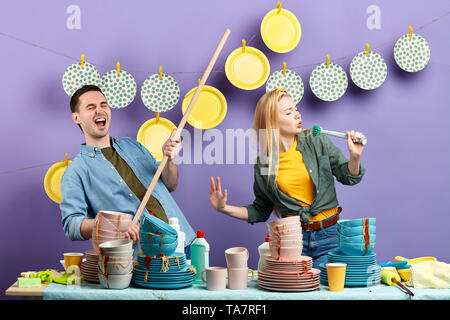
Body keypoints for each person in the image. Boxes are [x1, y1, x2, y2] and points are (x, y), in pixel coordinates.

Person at [209, 88, 366, 268]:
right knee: (294, 293)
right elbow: (260, 211)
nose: (297, 115)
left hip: (329, 237)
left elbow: (348, 177)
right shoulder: (264, 164)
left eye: (296, 109)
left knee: (327, 290)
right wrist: (223, 208)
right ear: (272, 122)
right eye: (289, 112)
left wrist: (355, 157)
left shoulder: (316, 141)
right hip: (291, 241)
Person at [60, 85, 195, 255]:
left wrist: (169, 159)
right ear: (76, 117)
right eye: (91, 107)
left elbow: (171, 184)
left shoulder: (132, 145)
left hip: (185, 242)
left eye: (103, 105)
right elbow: (71, 226)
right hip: (144, 258)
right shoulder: (76, 171)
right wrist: (109, 223)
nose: (99, 110)